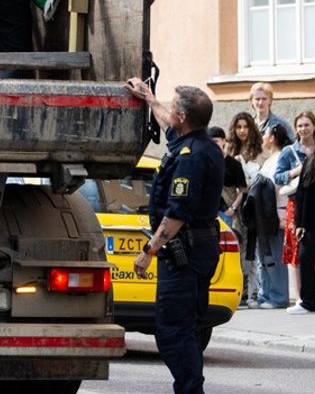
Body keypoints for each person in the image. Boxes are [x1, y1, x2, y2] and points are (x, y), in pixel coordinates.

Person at [124, 79, 223, 394]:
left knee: (172, 333)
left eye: (173, 104)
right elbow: (168, 123)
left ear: (183, 117)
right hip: (199, 248)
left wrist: (148, 251)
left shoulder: (190, 157)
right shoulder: (198, 142)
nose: (169, 110)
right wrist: (149, 98)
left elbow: (177, 213)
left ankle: (191, 390)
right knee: (188, 329)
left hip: (185, 254)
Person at [245, 123, 291, 308]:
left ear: (272, 138)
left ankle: (278, 297)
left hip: (274, 215)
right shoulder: (271, 158)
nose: (262, 137)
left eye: (264, 134)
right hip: (264, 214)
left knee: (274, 256)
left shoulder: (280, 157)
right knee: (264, 257)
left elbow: (276, 186)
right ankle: (265, 294)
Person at [276, 110, 315, 301]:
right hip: (297, 205)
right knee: (298, 251)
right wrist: (296, 172)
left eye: (307, 124)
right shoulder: (289, 151)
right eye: (300, 125)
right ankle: (301, 297)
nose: (303, 129)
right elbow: (278, 176)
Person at [225, 111, 263, 305]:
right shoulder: (230, 151)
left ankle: (254, 291)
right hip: (235, 205)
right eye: (239, 127)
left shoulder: (258, 151)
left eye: (246, 127)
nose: (242, 131)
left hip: (254, 205)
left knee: (252, 248)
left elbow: (258, 180)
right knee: (238, 246)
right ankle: (242, 289)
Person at [290, 153, 315, 314]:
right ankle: (309, 301)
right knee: (304, 257)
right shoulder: (311, 160)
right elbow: (301, 193)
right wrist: (299, 222)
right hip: (311, 222)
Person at [209, 126, 246, 230]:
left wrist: (233, 208)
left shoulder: (234, 164)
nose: (213, 145)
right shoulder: (205, 163)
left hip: (227, 212)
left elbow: (243, 190)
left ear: (223, 141)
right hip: (209, 212)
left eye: (216, 141)